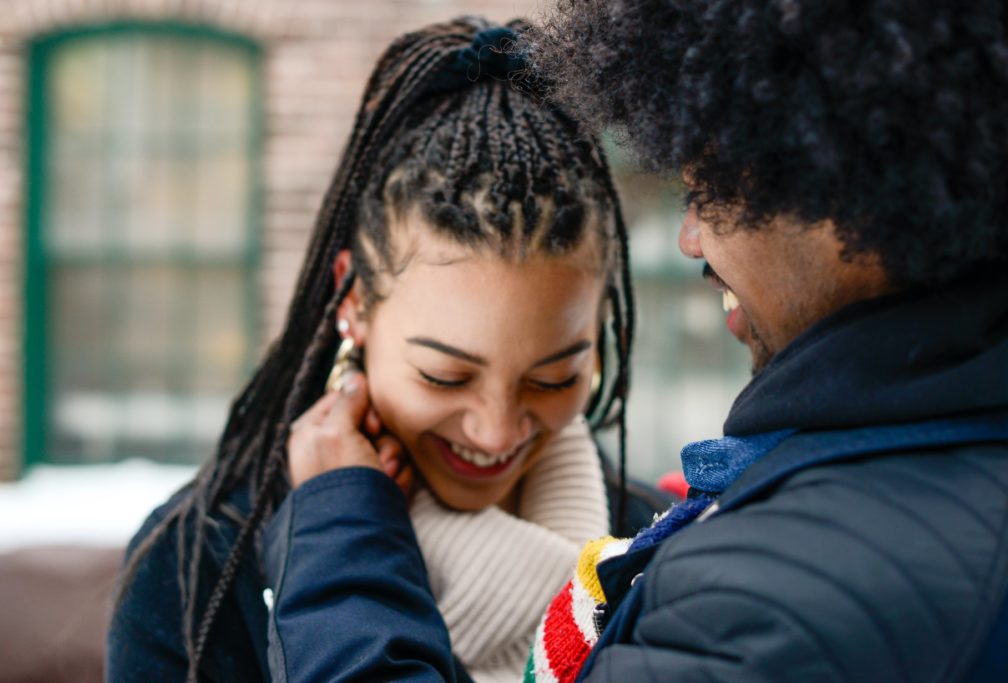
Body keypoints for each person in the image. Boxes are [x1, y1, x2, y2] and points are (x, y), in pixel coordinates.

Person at [261, 1, 1008, 681]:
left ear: (849, 191)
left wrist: (338, 541)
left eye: (717, 186)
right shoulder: (211, 549)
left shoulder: (770, 587)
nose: (690, 237)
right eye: (445, 374)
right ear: (353, 302)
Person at [107, 17, 672, 683]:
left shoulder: (652, 546)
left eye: (553, 378)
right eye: (445, 374)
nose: (495, 430)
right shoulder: (205, 561)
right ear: (354, 303)